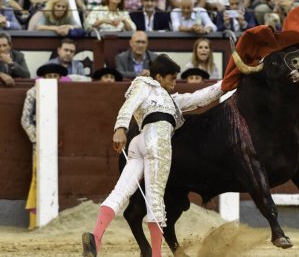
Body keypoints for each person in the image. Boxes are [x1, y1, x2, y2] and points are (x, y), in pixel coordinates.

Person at [81, 53, 224, 257]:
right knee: (155, 199)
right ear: (158, 77)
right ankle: (156, 254)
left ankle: (96, 237)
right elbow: (129, 104)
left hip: (139, 142)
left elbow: (199, 98)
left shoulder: (172, 100)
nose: (175, 82)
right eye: (172, 78)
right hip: (156, 140)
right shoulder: (145, 84)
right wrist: (120, 127)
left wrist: (226, 83)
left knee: (120, 192)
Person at [21, 63, 68, 230]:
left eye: (56, 75)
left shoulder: (66, 92)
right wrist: (38, 140)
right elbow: (25, 120)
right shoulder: (33, 92)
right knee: (38, 178)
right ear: (44, 77)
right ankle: (34, 222)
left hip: (63, 143)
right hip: (40, 144)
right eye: (49, 76)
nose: (53, 78)